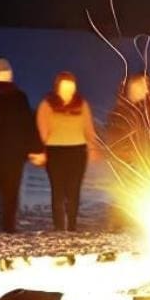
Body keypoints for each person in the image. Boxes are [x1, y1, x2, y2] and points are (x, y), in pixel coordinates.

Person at [35, 71, 99, 232]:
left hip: (77, 152)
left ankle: (71, 225)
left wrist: (92, 148)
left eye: (71, 86)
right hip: (55, 152)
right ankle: (58, 227)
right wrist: (42, 149)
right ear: (58, 87)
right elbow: (41, 127)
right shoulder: (47, 104)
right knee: (58, 190)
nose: (68, 89)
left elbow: (88, 128)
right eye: (65, 86)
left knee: (74, 190)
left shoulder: (81, 104)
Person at [0, 58, 41, 234]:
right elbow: (28, 125)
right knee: (10, 194)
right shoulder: (18, 97)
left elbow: (27, 124)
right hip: (13, 156)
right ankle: (9, 227)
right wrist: (36, 149)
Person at [106, 71, 150, 166]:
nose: (145, 90)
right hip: (130, 163)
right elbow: (115, 136)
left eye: (146, 86)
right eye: (140, 86)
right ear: (131, 88)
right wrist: (125, 156)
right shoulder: (121, 112)